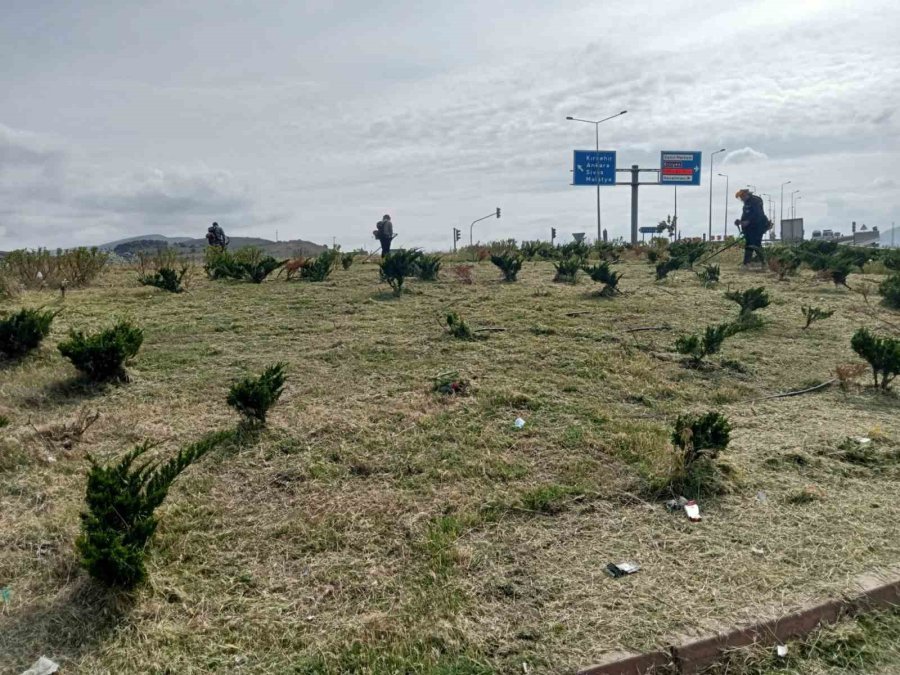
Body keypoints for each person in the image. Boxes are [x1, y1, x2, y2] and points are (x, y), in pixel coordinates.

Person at [735, 190, 769, 267]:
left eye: (742, 197)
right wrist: (740, 222)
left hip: (758, 227)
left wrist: (748, 221)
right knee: (752, 244)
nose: (741, 199)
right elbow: (745, 216)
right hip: (750, 229)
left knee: (753, 244)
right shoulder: (746, 204)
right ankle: (760, 262)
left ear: (746, 194)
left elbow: (758, 215)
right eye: (740, 198)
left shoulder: (755, 202)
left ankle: (749, 263)